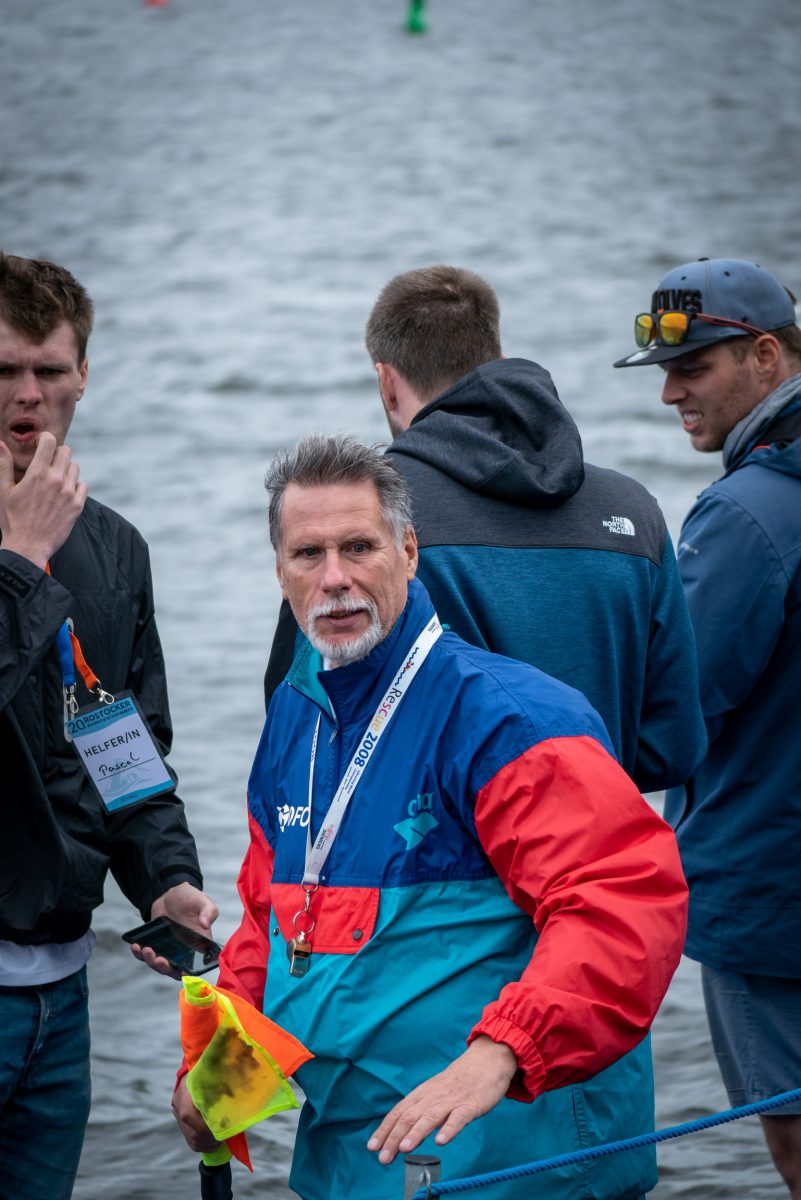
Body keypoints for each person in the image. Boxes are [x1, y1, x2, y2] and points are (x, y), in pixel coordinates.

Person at [174, 434, 688, 1200]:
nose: (335, 578)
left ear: (408, 553)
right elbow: (269, 923)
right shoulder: (293, 714)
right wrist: (220, 1078)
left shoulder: (511, 719)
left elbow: (622, 902)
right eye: (308, 554)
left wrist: (501, 1051)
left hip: (514, 1162)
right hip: (352, 1158)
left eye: (358, 547)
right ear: (279, 571)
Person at [265, 265, 706, 796]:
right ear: (494, 359)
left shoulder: (365, 517)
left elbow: (300, 726)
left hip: (426, 846)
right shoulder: (633, 510)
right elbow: (671, 749)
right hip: (594, 836)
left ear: (386, 382)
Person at [0, 252, 217, 1200]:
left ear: (83, 374)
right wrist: (19, 561)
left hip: (59, 996)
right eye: (4, 369)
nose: (29, 394)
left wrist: (167, 878)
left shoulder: (114, 547)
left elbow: (121, 747)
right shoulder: (37, 547)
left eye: (49, 368)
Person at [614, 256, 801, 1198]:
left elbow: (672, 709)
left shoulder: (742, 512)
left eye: (691, 368)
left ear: (766, 357)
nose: (669, 394)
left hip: (770, 900)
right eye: (661, 371)